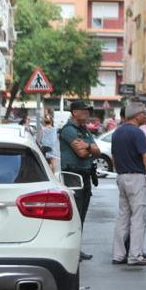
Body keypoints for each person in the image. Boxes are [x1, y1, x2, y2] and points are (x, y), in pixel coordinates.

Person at [111, 103, 146, 266]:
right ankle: (135, 255)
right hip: (136, 178)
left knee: (123, 217)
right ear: (136, 115)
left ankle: (118, 255)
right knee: (138, 218)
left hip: (121, 176)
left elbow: (114, 158)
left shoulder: (117, 132)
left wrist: (120, 172)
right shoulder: (137, 133)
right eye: (144, 113)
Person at [59, 100, 101, 261]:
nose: (87, 113)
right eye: (83, 111)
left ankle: (76, 249)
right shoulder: (69, 130)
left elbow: (96, 151)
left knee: (81, 214)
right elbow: (82, 154)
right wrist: (90, 149)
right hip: (73, 176)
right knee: (74, 214)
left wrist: (88, 147)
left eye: (88, 111)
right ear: (74, 112)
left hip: (85, 175)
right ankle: (71, 249)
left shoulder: (85, 131)